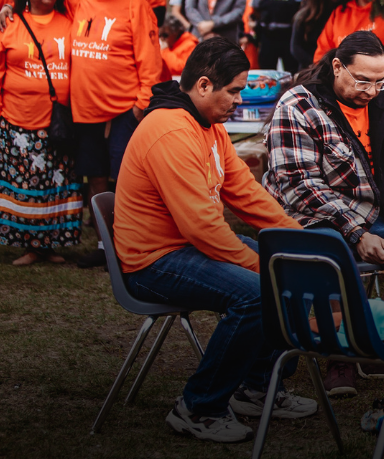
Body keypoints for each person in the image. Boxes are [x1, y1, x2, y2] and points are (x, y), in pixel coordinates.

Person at [114, 37, 316, 442]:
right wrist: (262, 265)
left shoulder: (210, 128)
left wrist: (302, 246)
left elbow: (249, 196)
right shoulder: (170, 131)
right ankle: (198, 407)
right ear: (204, 86)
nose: (239, 101)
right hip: (152, 260)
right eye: (235, 90)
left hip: (186, 248)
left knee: (291, 268)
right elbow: (202, 227)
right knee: (259, 292)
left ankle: (255, 389)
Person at [266, 31, 384, 395]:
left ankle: (370, 331)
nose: (372, 90)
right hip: (316, 219)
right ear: (337, 66)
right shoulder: (297, 105)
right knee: (335, 257)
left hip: (382, 214)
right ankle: (342, 358)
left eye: (379, 80)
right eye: (362, 81)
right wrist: (356, 233)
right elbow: (300, 185)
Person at [67, 0, 163, 269]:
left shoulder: (137, 6)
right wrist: (12, 7)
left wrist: (137, 110)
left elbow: (151, 67)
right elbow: (40, 8)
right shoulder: (79, 0)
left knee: (125, 180)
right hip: (85, 111)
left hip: (124, 111)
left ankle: (130, 247)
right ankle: (104, 245)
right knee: (95, 178)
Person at [0, 0, 80, 266]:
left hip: (58, 123)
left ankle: (48, 246)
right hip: (16, 121)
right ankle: (30, 246)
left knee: (54, 185)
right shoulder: (8, 24)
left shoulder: (70, 21)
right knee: (26, 187)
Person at [291, 0, 339, 71]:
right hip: (309, 69)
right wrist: (315, 64)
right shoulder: (304, 17)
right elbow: (295, 47)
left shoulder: (340, 12)